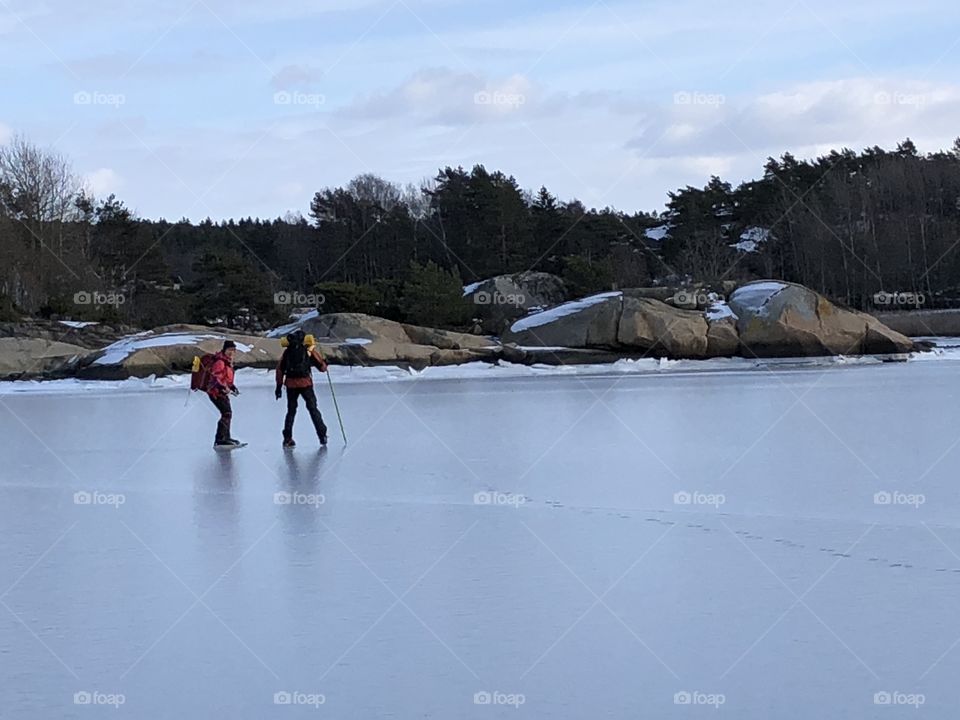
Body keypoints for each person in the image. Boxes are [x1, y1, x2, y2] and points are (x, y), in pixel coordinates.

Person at [275, 330, 329, 448]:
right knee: (313, 409)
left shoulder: (287, 352)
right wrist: (325, 363)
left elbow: (279, 370)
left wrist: (278, 387)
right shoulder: (308, 351)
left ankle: (287, 438)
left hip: (290, 384)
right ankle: (322, 435)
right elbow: (322, 368)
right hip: (306, 384)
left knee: (291, 411)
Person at [208, 340, 242, 448]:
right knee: (226, 413)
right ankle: (220, 439)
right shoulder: (220, 362)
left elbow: (226, 378)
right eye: (229, 350)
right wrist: (223, 387)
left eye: (233, 350)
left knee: (227, 414)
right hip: (216, 392)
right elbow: (216, 377)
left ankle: (226, 437)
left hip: (222, 391)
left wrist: (232, 387)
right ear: (225, 350)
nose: (231, 352)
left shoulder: (227, 362)